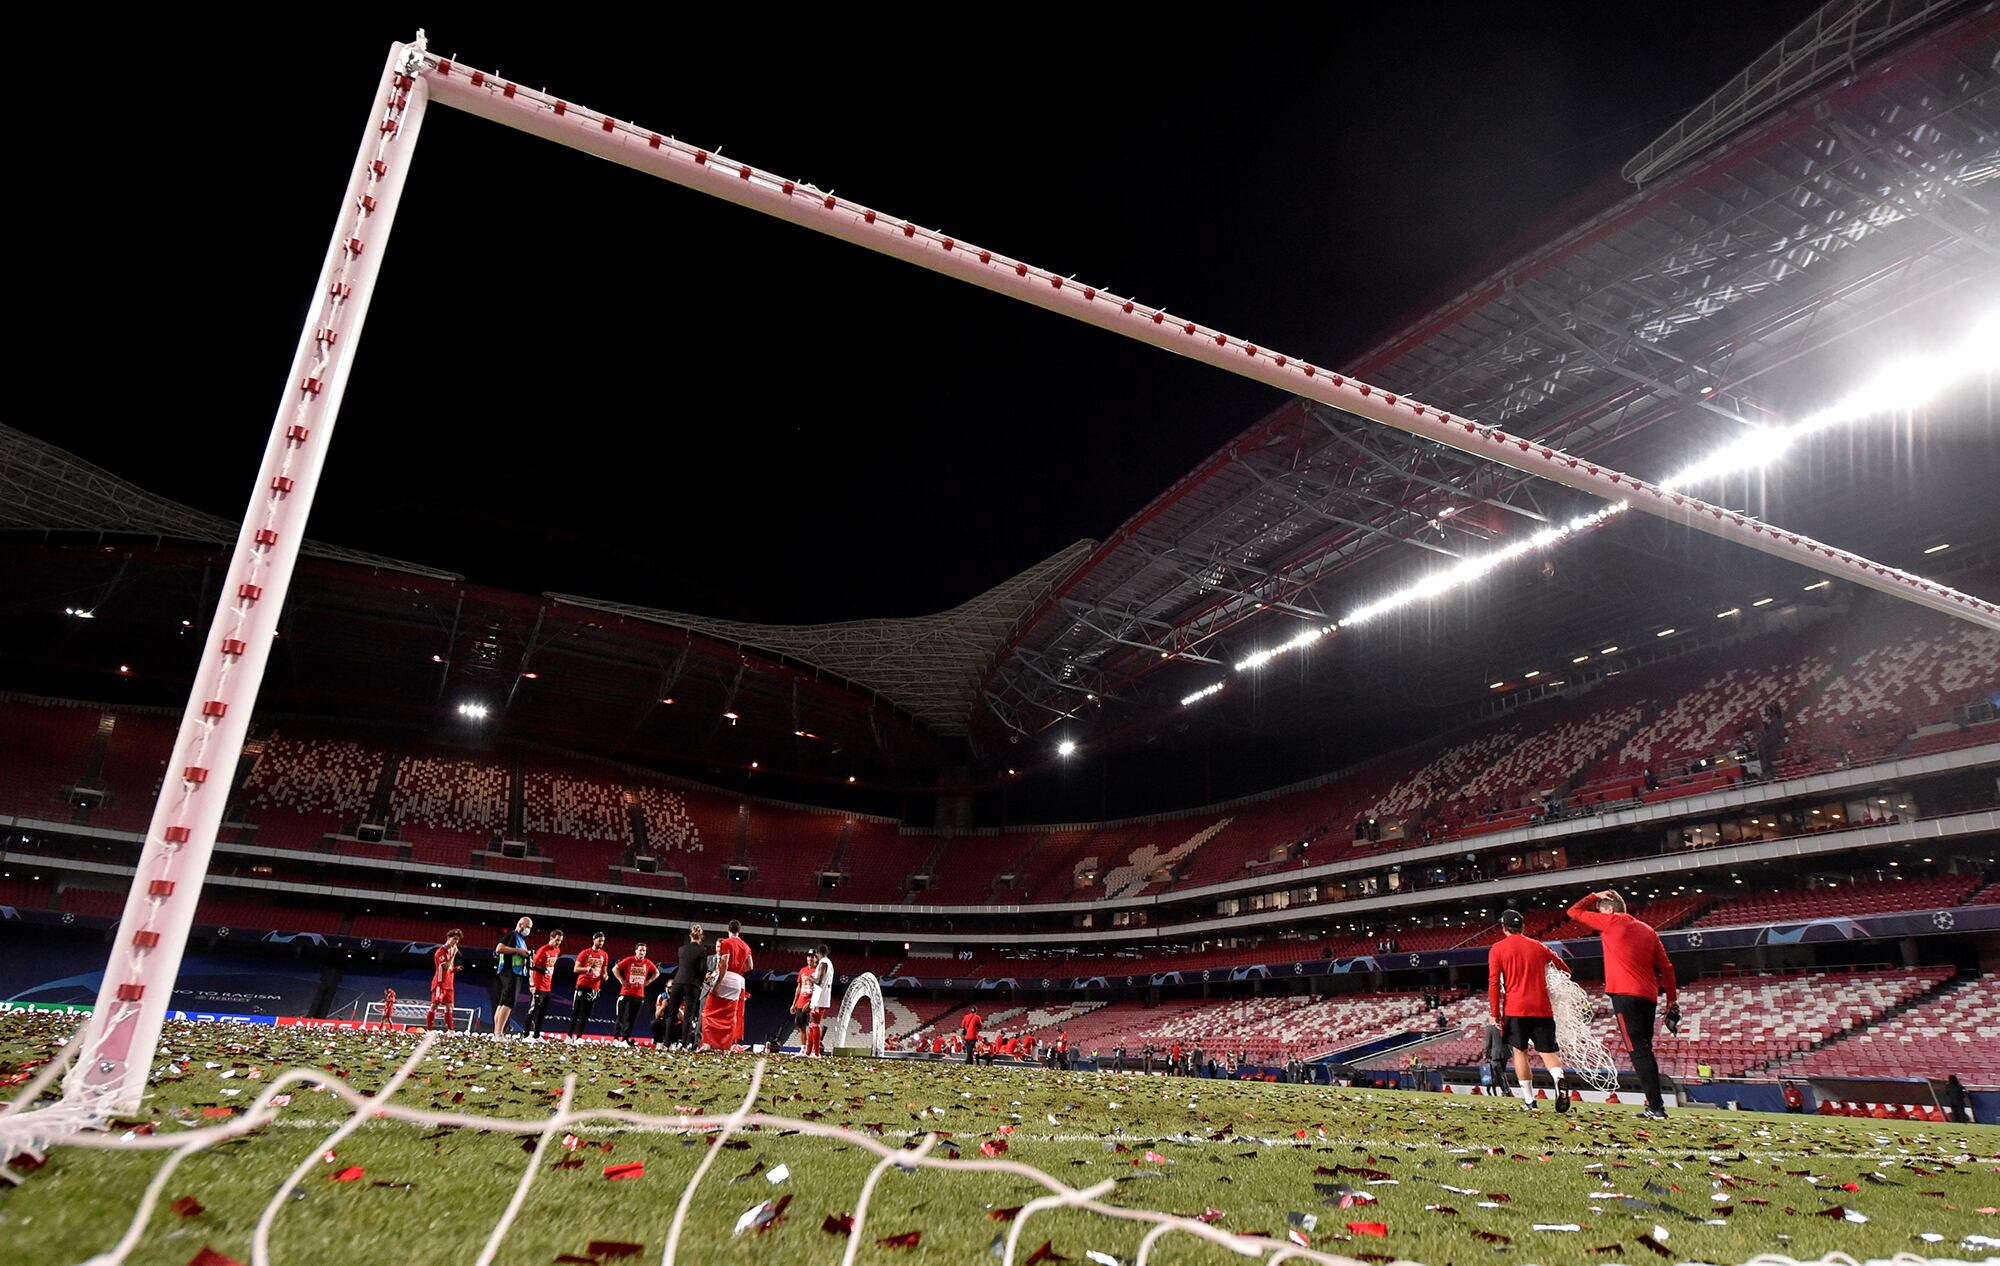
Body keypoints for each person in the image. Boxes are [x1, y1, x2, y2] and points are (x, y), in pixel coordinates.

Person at [1565, 888, 1678, 1120]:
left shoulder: (1611, 922)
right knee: (1645, 1050)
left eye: (1601, 908)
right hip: (1648, 996)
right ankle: (1655, 1104)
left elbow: (1573, 911)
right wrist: (1672, 1000)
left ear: (1609, 909)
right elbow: (1667, 967)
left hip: (1624, 995)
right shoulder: (1648, 931)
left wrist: (1595, 895)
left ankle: (1656, 1107)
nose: (1598, 912)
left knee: (1638, 1051)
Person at [1488, 908, 1571, 1113]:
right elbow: (1565, 970)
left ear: (1503, 927)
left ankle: (1529, 1101)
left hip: (1516, 1009)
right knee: (1548, 1052)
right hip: (1542, 1009)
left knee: (1520, 1052)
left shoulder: (1498, 949)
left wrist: (1495, 1015)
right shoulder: (1539, 947)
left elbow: (1492, 984)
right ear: (1523, 927)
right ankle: (1559, 1078)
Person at [699, 919, 754, 1051]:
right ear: (739, 931)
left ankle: (707, 1043)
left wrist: (718, 983)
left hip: (725, 978)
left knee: (708, 1012)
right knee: (730, 1016)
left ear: (728, 930)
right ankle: (725, 1046)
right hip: (738, 981)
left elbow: (724, 963)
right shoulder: (746, 946)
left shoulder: (726, 942)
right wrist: (739, 969)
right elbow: (750, 966)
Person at [661, 924, 707, 1048]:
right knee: (688, 1016)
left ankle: (666, 1043)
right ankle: (685, 1045)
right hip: (692, 985)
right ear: (701, 937)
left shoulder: (681, 949)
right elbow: (703, 969)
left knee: (671, 1014)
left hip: (677, 982)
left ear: (689, 936)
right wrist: (701, 982)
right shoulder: (702, 950)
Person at [492, 916, 534, 1035]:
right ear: (521, 925)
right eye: (528, 927)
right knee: (508, 1003)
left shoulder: (521, 939)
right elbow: (499, 949)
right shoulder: (512, 935)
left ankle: (497, 1032)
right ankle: (499, 1033)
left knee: (502, 1003)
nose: (528, 930)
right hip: (511, 972)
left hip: (514, 973)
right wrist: (518, 951)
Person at [611, 941, 658, 1042]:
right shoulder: (629, 960)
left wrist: (649, 981)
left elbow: (656, 973)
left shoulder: (648, 963)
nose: (642, 952)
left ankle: (625, 1039)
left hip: (639, 995)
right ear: (636, 951)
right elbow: (615, 969)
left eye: (644, 951)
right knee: (621, 1017)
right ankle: (615, 1038)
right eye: (640, 950)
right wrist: (621, 980)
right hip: (626, 993)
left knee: (632, 1019)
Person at [567, 932, 610, 1039]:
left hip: (594, 988)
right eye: (599, 940)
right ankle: (569, 1036)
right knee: (576, 1011)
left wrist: (605, 976)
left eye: (603, 941)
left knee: (586, 1014)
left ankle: (579, 1037)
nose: (601, 943)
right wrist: (586, 969)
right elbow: (576, 969)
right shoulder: (585, 953)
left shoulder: (604, 955)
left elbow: (605, 972)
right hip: (582, 985)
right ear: (594, 939)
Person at [524, 928, 565, 1039]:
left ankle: (537, 1035)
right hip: (538, 985)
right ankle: (526, 1035)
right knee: (533, 1010)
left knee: (542, 1012)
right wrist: (533, 985)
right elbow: (532, 967)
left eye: (560, 941)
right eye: (557, 940)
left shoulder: (557, 950)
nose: (558, 943)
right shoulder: (543, 950)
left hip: (547, 986)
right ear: (551, 938)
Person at [425, 930, 461, 1031]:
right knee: (434, 1005)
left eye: (458, 940)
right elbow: (445, 966)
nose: (456, 942)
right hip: (440, 983)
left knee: (449, 1006)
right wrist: (453, 955)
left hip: (449, 984)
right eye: (454, 939)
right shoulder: (440, 951)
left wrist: (455, 969)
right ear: (448, 938)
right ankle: (429, 1030)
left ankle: (450, 1031)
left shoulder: (450, 951)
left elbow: (449, 969)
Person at [806, 943, 834, 1057]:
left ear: (818, 954)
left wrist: (809, 978)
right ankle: (809, 1052)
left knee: (815, 1024)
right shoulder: (829, 963)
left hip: (820, 997)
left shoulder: (823, 963)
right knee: (813, 1023)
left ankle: (816, 1053)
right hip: (821, 997)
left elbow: (818, 981)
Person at [1482, 1021, 1509, 1097]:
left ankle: (1505, 1091)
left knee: (1499, 1074)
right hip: (1506, 1052)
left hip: (1496, 1054)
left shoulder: (1490, 1028)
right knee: (1502, 1073)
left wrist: (1485, 1054)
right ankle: (1507, 1090)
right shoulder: (1505, 1026)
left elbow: (1487, 1043)